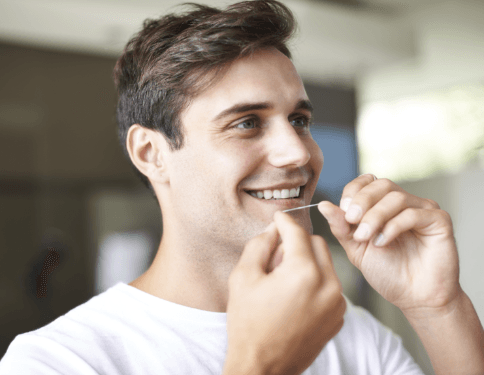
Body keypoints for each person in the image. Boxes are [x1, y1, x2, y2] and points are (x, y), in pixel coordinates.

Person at [1, 1, 483, 374]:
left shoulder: (350, 332)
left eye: (299, 119)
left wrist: (438, 308)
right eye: (247, 123)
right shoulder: (58, 362)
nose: (298, 153)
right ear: (152, 153)